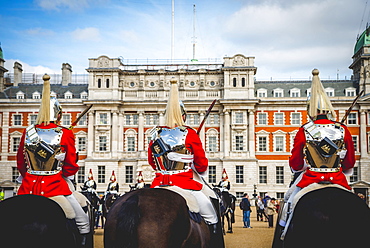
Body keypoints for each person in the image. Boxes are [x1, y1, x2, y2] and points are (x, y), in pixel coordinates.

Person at [278, 69, 356, 234]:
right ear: (328, 109)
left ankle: (283, 235)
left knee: (287, 206)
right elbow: (350, 162)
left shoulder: (305, 130)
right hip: (338, 180)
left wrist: (304, 164)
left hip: (310, 179)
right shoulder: (342, 129)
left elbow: (296, 163)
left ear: (310, 110)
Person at [16, 74, 90, 246]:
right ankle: (83, 240)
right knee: (82, 221)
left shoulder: (27, 133)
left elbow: (21, 163)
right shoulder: (65, 133)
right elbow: (71, 165)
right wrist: (64, 174)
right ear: (58, 115)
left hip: (27, 188)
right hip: (55, 186)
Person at [148, 79, 220, 236]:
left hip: (158, 184)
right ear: (184, 116)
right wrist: (191, 165)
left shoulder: (155, 134)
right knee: (212, 217)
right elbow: (201, 164)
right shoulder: (190, 133)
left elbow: (153, 162)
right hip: (184, 183)